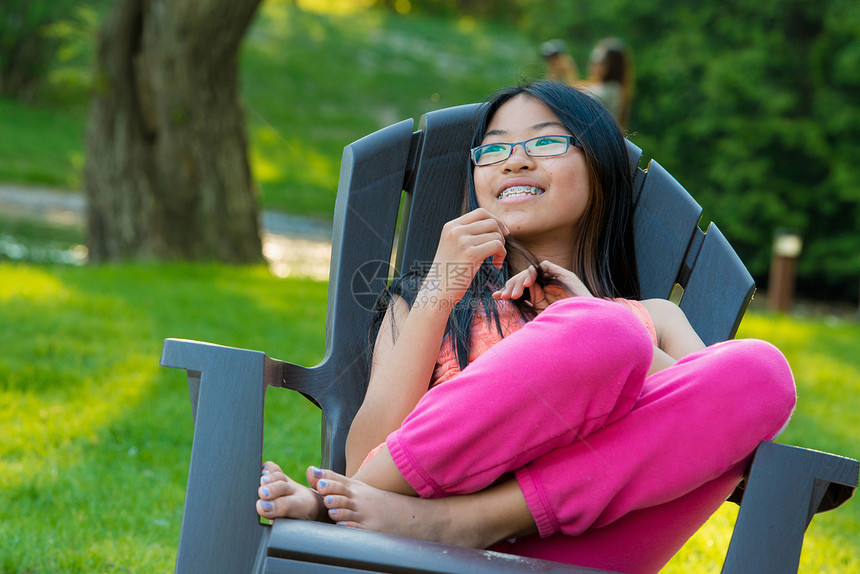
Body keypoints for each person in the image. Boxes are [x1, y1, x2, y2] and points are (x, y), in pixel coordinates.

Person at [255, 81, 796, 574]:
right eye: (493, 149)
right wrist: (442, 284)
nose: (513, 162)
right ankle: (393, 514)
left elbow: (718, 431)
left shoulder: (656, 319)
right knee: (601, 334)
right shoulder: (427, 305)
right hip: (415, 548)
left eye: (546, 142)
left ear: (601, 169)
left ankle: (462, 518)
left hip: (586, 555)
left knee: (763, 370)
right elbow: (365, 455)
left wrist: (599, 319)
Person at [541, 37, 635, 130]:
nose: (593, 63)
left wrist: (569, 71)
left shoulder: (612, 90)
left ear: (611, 65)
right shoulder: (591, 85)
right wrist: (554, 74)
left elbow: (576, 103)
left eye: (599, 60)